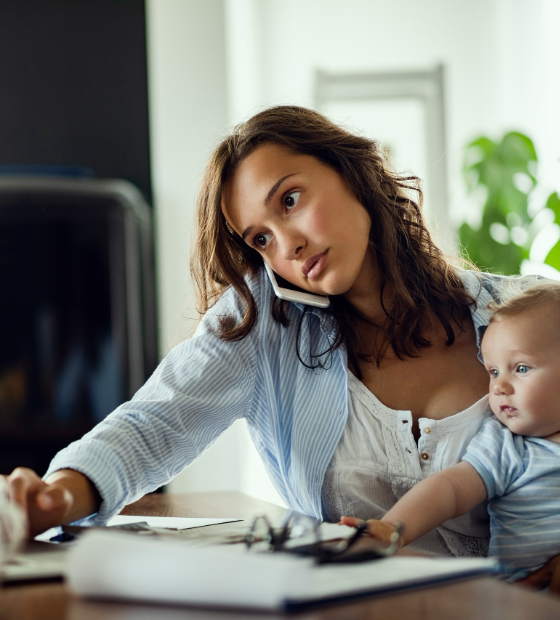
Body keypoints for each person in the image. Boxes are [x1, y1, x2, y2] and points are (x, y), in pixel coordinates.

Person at [3, 105, 556, 588]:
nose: (286, 245)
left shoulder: (529, 317)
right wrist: (57, 494)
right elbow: (153, 425)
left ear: (352, 173)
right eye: (260, 238)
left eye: (290, 200)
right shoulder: (263, 324)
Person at [341, 281, 560, 583]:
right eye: (493, 372)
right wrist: (392, 528)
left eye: (521, 368)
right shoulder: (507, 446)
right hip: (524, 601)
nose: (499, 386)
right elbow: (450, 489)